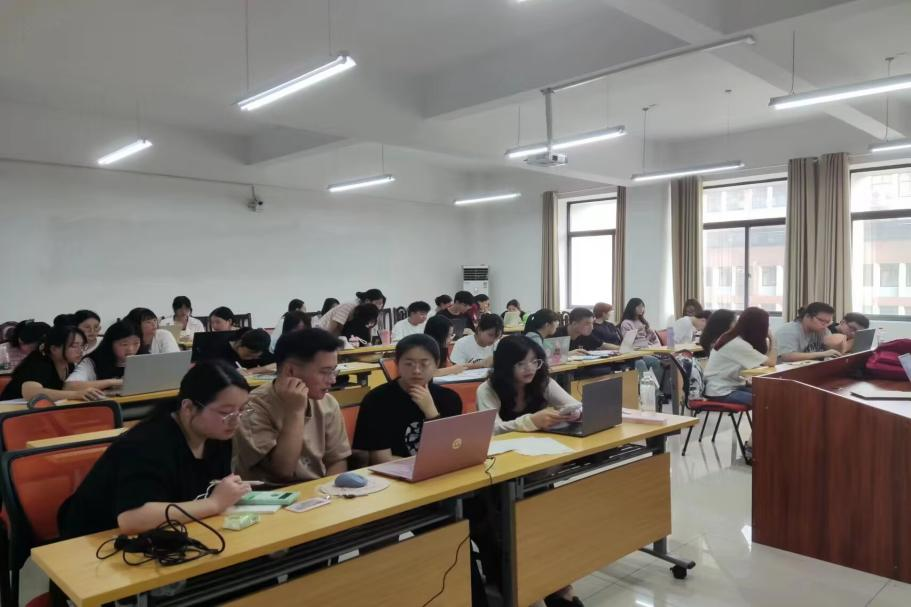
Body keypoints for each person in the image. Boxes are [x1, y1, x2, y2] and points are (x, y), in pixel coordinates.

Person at [58, 361, 253, 538]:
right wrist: (214, 503)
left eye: (242, 410)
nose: (235, 420)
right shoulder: (146, 443)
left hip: (168, 534)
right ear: (188, 407)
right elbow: (132, 519)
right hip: (96, 541)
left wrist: (227, 496)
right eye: (226, 412)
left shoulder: (217, 434)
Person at [474, 335, 584, 607]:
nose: (530, 369)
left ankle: (559, 586)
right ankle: (526, 590)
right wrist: (531, 421)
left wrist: (571, 413)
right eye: (521, 363)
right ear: (505, 365)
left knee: (545, 524)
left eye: (535, 362)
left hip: (536, 463)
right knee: (513, 530)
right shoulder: (488, 389)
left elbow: (573, 404)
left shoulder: (542, 381)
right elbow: (491, 429)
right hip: (501, 471)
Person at [234, 328, 350, 483]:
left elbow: (337, 460)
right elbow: (282, 472)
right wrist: (295, 412)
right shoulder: (252, 407)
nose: (332, 380)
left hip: (318, 492)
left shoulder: (327, 403)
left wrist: (329, 491)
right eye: (325, 372)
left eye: (333, 371)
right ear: (290, 371)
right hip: (271, 494)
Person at [353, 334, 462, 464]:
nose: (416, 370)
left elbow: (452, 449)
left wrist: (432, 413)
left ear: (436, 364)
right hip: (394, 474)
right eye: (409, 364)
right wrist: (424, 466)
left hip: (441, 471)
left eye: (424, 364)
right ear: (397, 364)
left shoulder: (449, 399)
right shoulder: (377, 400)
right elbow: (381, 459)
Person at [0, 326, 105, 401]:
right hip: (10, 413)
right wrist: (76, 394)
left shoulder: (68, 363)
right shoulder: (39, 363)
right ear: (54, 349)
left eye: (82, 346)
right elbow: (31, 393)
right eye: (74, 346)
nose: (80, 351)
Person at [704, 307, 776, 405]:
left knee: (770, 394)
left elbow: (764, 361)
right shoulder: (737, 343)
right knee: (768, 400)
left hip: (729, 386)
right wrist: (772, 338)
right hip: (720, 391)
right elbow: (771, 362)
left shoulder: (731, 337)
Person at [64, 321, 141, 391]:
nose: (131, 349)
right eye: (124, 344)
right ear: (110, 344)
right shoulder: (93, 362)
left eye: (136, 343)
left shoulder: (143, 359)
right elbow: (69, 386)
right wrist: (112, 382)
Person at [774, 302, 841, 362]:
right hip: (787, 370)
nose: (825, 325)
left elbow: (833, 351)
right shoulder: (788, 331)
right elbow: (786, 357)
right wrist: (823, 354)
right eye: (821, 320)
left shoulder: (822, 330)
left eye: (828, 322)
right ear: (808, 316)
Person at [619, 298, 663, 385]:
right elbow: (627, 342)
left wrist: (651, 334)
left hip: (646, 350)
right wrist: (637, 331)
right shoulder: (626, 323)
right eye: (639, 306)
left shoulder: (642, 321)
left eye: (643, 306)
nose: (641, 309)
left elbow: (647, 339)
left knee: (656, 362)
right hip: (634, 353)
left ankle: (655, 388)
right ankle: (648, 389)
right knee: (643, 362)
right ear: (632, 307)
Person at [317, 289, 386, 337]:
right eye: (378, 303)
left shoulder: (365, 312)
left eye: (381, 304)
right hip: (321, 334)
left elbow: (366, 331)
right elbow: (335, 325)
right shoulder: (350, 306)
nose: (380, 307)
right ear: (367, 301)